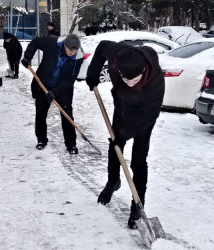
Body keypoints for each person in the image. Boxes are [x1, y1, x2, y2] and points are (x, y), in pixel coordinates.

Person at [85, 41, 165, 229]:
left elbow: (150, 115)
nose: (129, 83)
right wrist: (92, 73)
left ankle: (137, 205)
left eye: (134, 80)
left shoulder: (155, 82)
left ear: (144, 71)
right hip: (122, 109)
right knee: (115, 147)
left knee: (138, 160)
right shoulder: (116, 54)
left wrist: (124, 134)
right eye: (125, 79)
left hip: (145, 116)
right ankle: (113, 181)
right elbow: (102, 46)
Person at [20, 34, 84, 154]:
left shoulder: (78, 58)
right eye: (70, 49)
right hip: (43, 83)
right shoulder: (51, 43)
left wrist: (55, 92)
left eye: (75, 50)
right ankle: (41, 140)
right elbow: (36, 42)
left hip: (63, 89)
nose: (72, 52)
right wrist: (27, 57)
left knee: (67, 114)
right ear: (65, 45)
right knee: (40, 112)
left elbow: (69, 80)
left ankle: (71, 144)